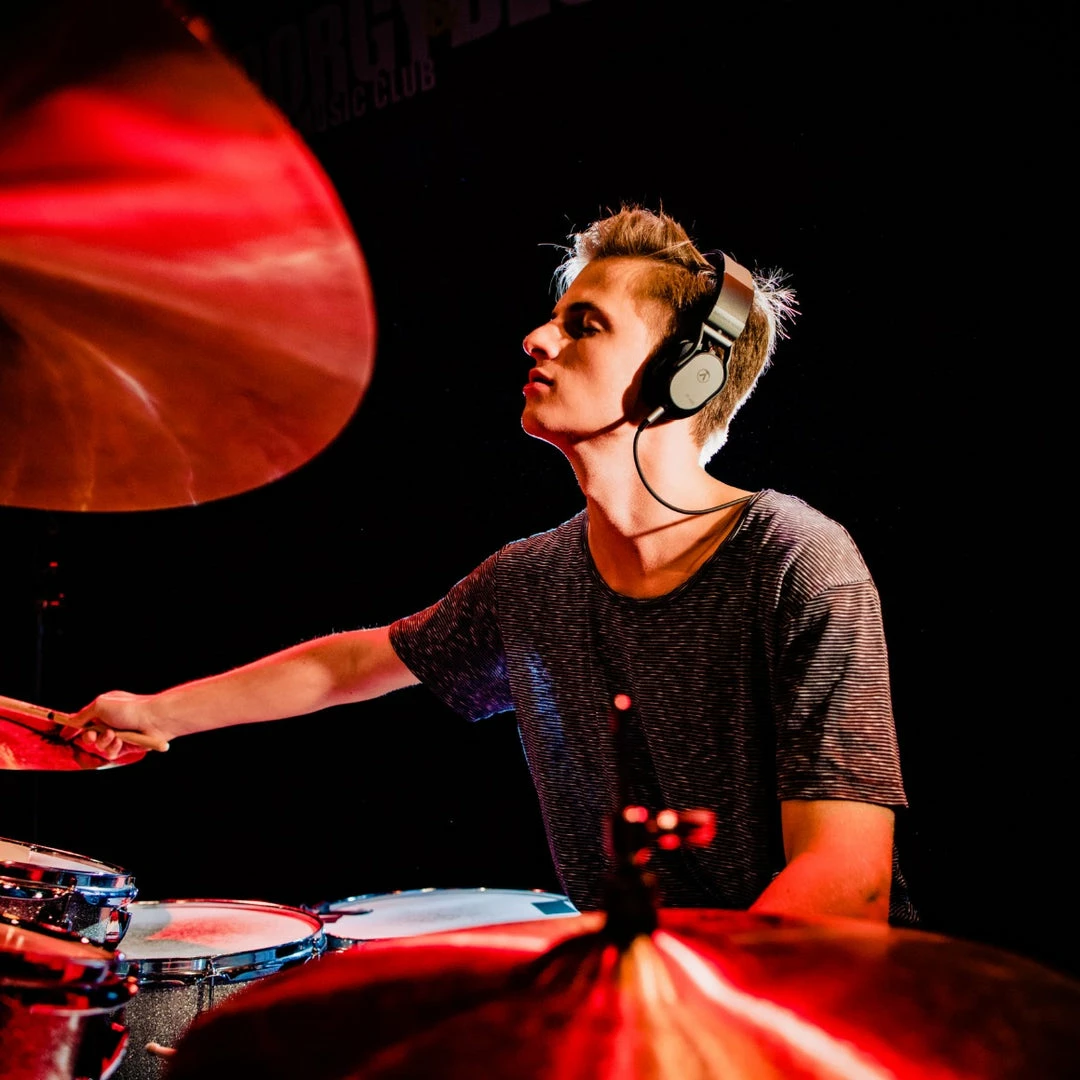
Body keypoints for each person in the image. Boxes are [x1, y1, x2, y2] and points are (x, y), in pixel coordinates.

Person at [73, 204, 916, 926]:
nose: (537, 338)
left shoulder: (794, 560)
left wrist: (682, 1018)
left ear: (684, 377)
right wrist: (155, 711)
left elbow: (846, 880)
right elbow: (351, 666)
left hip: (807, 1008)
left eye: (584, 325)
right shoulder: (534, 581)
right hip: (644, 991)